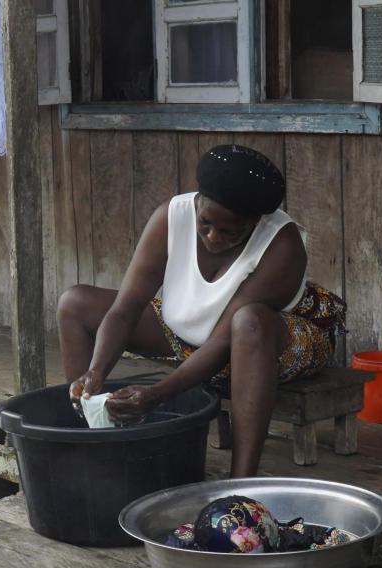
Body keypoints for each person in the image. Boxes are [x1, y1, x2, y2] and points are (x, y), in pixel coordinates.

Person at [57, 144, 346, 477]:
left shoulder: (282, 244)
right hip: (192, 335)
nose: (212, 237)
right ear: (198, 204)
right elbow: (125, 309)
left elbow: (224, 342)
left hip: (274, 343)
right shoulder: (172, 215)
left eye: (229, 232)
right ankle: (89, 440)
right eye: (205, 223)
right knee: (75, 303)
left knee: (249, 321)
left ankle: (240, 481)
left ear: (255, 222)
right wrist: (95, 372)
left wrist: (157, 394)